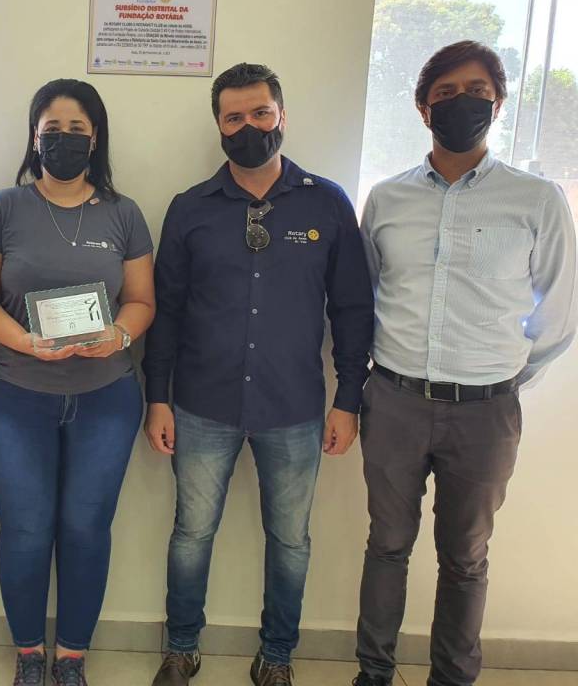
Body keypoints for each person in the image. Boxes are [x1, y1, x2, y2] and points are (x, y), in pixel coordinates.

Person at [352, 41, 577, 686]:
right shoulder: (387, 199)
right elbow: (364, 297)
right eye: (445, 93)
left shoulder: (536, 199)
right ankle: (374, 674)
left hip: (486, 412)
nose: (461, 103)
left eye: (476, 91)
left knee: (466, 557)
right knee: (387, 545)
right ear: (424, 109)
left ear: (498, 104)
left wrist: (501, 377)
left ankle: (451, 678)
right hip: (394, 400)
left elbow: (559, 311)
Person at [143, 63, 375, 686]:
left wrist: (348, 399)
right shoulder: (190, 208)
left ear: (282, 115)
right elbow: (166, 310)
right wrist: (157, 397)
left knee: (291, 540)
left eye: (261, 113)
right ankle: (181, 648)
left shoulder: (327, 203)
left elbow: (353, 310)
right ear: (219, 127)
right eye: (234, 117)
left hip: (293, 407)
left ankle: (276, 657)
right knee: (192, 533)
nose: (249, 126)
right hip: (201, 404)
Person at [0, 78, 156, 686]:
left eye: (77, 129)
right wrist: (24, 341)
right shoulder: (3, 208)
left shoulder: (124, 213)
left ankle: (71, 656)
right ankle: (28, 653)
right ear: (33, 136)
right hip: (13, 398)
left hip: (106, 399)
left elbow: (142, 301)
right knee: (25, 530)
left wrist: (118, 335)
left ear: (96, 139)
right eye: (52, 129)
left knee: (86, 529)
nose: (64, 140)